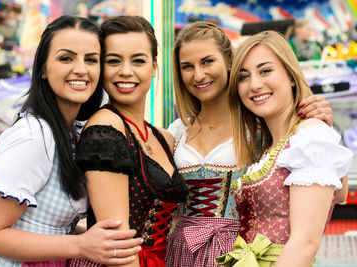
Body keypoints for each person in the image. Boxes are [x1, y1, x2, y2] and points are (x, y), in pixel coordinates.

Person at [0, 15, 142, 266]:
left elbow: (46, 227)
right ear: (42, 69)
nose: (81, 69)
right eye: (66, 58)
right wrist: (81, 245)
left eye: (91, 59)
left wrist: (99, 239)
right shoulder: (33, 134)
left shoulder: (75, 131)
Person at [165, 21, 335, 267]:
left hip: (241, 250)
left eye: (207, 61)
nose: (198, 75)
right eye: (187, 67)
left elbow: (332, 194)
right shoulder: (175, 132)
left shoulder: (261, 128)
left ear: (229, 64)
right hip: (181, 250)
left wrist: (319, 123)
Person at [215, 30, 352, 267]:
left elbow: (305, 243)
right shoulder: (271, 145)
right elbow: (338, 193)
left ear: (291, 75)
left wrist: (321, 131)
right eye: (243, 76)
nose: (255, 84)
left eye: (265, 70)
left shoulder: (310, 135)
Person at [69, 16, 188, 267]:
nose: (126, 71)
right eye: (114, 61)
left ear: (154, 66)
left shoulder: (162, 137)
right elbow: (117, 246)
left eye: (138, 60)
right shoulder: (105, 129)